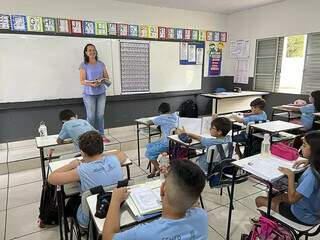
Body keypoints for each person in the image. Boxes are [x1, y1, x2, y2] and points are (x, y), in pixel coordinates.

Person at [102, 159, 208, 240]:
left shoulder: (145, 233)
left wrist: (115, 200)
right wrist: (170, 177)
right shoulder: (202, 216)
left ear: (162, 189)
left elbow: (107, 237)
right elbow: (193, 199)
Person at [48, 131, 126, 228]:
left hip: (91, 217)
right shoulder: (115, 160)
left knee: (71, 202)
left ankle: (80, 228)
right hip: (118, 206)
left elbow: (51, 178)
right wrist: (101, 154)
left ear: (82, 152)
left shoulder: (81, 170)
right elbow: (121, 153)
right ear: (102, 148)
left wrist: (71, 165)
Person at [255, 131, 320, 226]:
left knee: (259, 200)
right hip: (312, 209)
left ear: (314, 151)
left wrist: (291, 176)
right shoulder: (316, 166)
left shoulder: (312, 175)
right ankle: (274, 221)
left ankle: (268, 227)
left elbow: (292, 199)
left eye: (304, 145)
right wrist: (309, 161)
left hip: (303, 215)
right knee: (277, 197)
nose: (301, 147)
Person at [80, 43, 111, 143]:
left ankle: (101, 135)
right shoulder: (83, 65)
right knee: (91, 116)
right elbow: (82, 81)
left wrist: (102, 81)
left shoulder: (101, 64)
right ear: (86, 53)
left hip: (101, 92)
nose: (92, 52)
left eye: (93, 50)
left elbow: (107, 78)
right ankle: (90, 137)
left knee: (100, 115)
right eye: (89, 50)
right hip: (89, 94)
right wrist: (92, 84)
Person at [145, 102, 178, 178]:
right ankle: (154, 171)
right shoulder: (175, 115)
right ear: (169, 110)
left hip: (166, 144)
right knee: (149, 146)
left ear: (160, 111)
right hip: (174, 143)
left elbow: (149, 122)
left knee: (149, 153)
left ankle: (161, 172)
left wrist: (156, 119)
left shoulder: (161, 117)